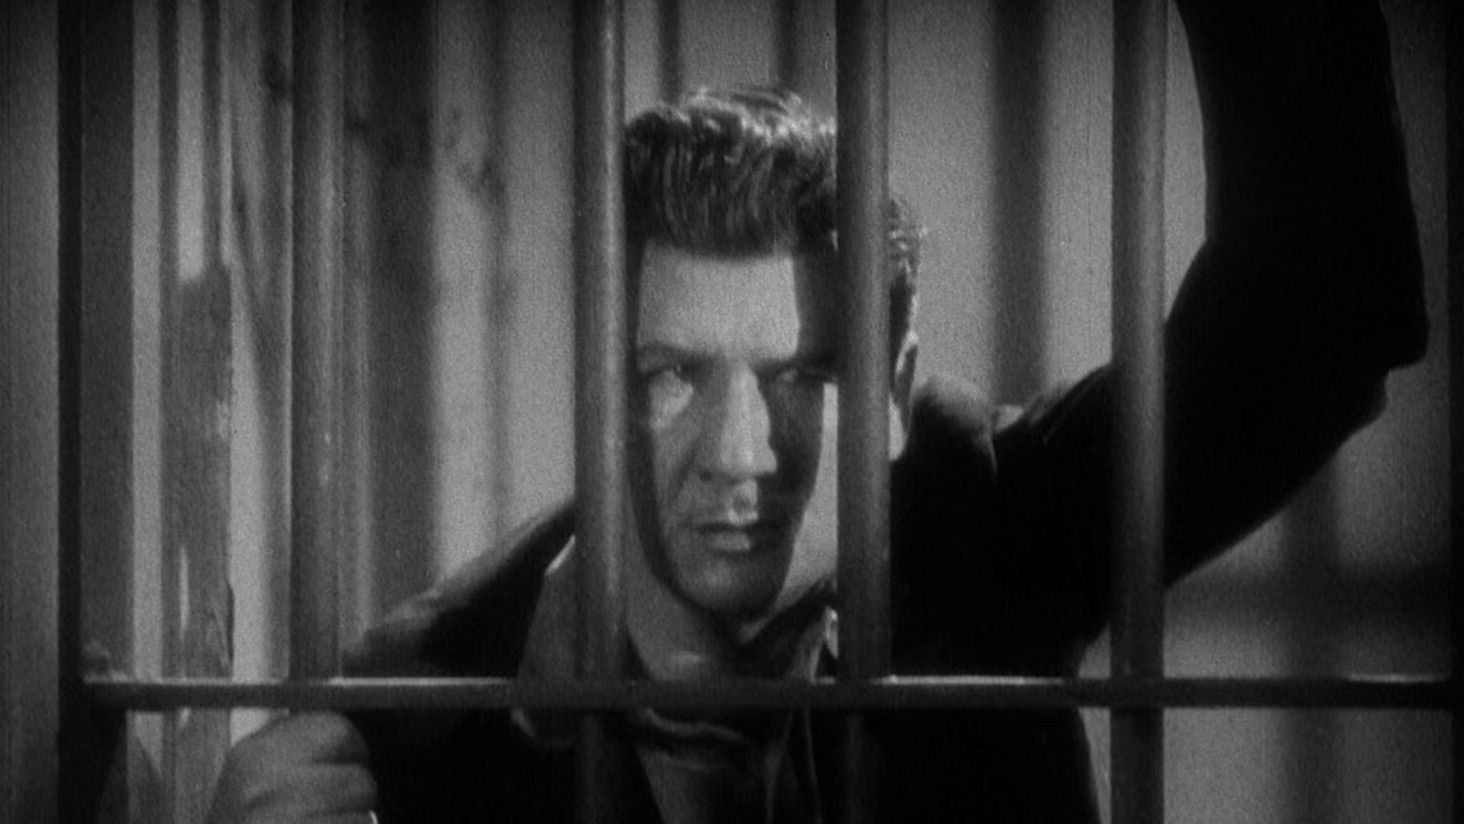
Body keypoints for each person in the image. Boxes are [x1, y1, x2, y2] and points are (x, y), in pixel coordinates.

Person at [207, 0, 1428, 821]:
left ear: (895, 390)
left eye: (804, 375)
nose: (743, 454)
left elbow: (1321, 320)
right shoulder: (422, 710)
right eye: (674, 373)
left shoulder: (984, 517)